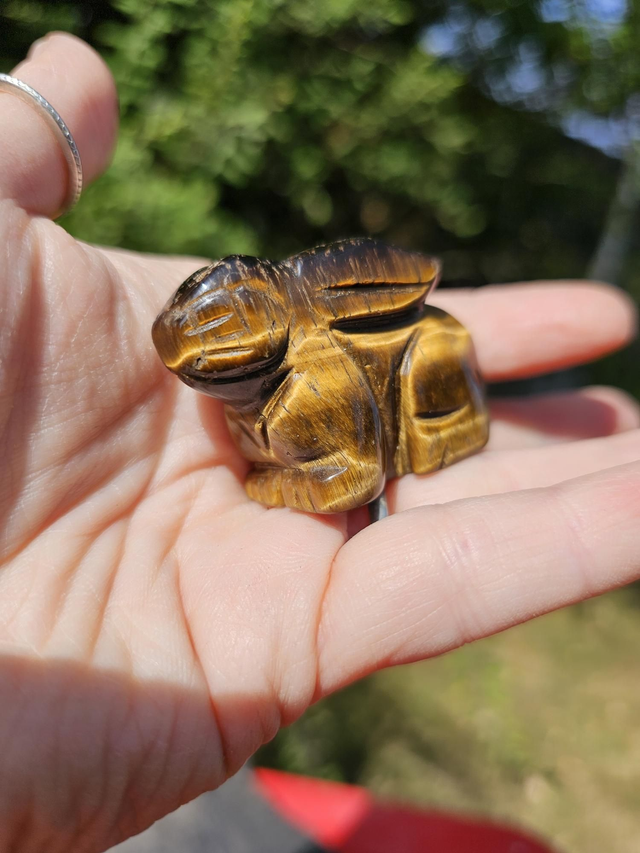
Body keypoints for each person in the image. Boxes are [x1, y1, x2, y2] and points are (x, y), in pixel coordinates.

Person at [0, 32, 638, 853]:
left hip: (416, 375)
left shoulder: (307, 390)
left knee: (428, 360)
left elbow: (352, 476)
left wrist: (272, 482)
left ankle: (433, 426)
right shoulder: (256, 380)